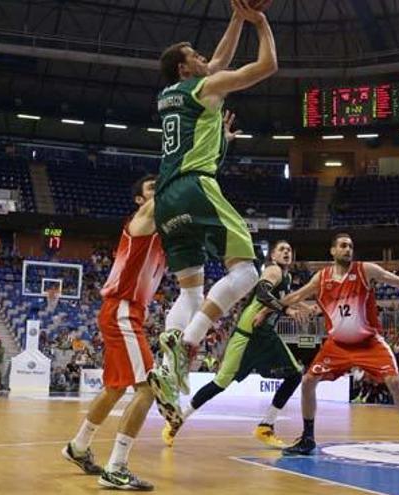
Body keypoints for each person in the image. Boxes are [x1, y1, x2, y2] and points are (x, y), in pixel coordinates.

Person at [150, 1, 278, 419]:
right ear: (186, 69)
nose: (206, 59)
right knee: (247, 272)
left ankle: (165, 369)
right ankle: (188, 342)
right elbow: (266, 66)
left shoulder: (172, 93)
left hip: (166, 200)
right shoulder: (204, 88)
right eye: (197, 57)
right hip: (195, 185)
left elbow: (218, 60)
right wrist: (259, 22)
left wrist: (236, 17)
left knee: (191, 292)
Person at [280, 233, 399, 457]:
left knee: (394, 382)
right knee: (308, 381)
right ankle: (307, 438)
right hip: (337, 344)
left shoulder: (365, 270)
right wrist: (266, 306)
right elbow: (294, 296)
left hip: (368, 342)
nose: (348, 249)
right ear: (333, 251)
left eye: (351, 246)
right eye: (343, 246)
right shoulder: (321, 278)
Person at [61, 174, 167, 491]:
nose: (160, 189)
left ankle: (78, 447)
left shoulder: (159, 229)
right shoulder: (141, 220)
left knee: (115, 388)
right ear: (139, 200)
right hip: (122, 310)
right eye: (153, 187)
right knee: (148, 388)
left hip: (122, 311)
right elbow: (174, 192)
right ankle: (116, 467)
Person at [161, 240, 310, 448]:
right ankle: (178, 420)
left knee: (294, 374)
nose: (286, 252)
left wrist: (302, 305)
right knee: (221, 382)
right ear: (273, 256)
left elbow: (285, 298)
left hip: (263, 334)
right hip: (249, 333)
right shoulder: (274, 271)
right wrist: (286, 310)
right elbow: (262, 294)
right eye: (281, 250)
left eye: (289, 250)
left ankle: (266, 426)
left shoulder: (287, 277)